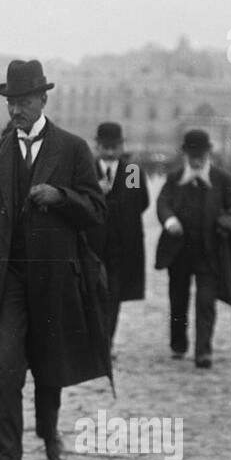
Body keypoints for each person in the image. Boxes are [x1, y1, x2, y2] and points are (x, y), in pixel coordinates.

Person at [0, 59, 111, 460]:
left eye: (23, 101)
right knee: (5, 366)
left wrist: (60, 196)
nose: (15, 110)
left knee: (50, 363)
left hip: (55, 277)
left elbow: (98, 210)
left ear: (43, 99)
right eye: (10, 102)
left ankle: (49, 433)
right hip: (6, 280)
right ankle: (8, 456)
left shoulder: (73, 148)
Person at [154, 129, 231, 369]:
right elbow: (163, 203)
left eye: (200, 154)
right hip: (178, 252)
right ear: (185, 154)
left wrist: (228, 224)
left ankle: (203, 351)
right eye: (192, 154)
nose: (196, 159)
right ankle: (178, 344)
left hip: (209, 252)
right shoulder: (175, 178)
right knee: (178, 301)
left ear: (208, 154)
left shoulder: (222, 179)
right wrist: (170, 221)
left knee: (206, 301)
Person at [86, 122, 149, 359]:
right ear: (97, 145)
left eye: (115, 147)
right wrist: (96, 192)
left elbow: (139, 201)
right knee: (91, 293)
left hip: (120, 244)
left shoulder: (131, 171)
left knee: (113, 295)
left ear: (122, 146)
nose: (111, 152)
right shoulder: (87, 169)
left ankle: (106, 342)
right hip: (92, 243)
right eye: (106, 147)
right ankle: (93, 338)